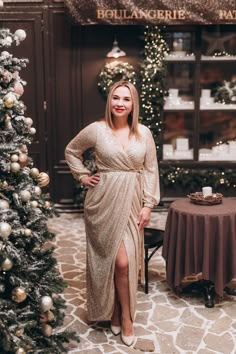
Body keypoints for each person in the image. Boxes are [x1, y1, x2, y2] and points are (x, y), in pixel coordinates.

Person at [65, 80, 160, 347]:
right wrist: (83, 177)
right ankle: (119, 315)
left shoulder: (144, 133)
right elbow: (72, 151)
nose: (120, 103)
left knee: (125, 262)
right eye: (115, 98)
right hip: (103, 202)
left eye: (126, 99)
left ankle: (122, 314)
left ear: (133, 104)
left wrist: (148, 204)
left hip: (132, 203)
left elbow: (151, 169)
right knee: (114, 261)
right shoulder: (97, 130)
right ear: (110, 102)